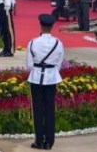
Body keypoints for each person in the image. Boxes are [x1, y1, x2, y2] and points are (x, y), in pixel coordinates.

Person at [26, 14, 64, 150]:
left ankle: (39, 140)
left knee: (37, 110)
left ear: (41, 26)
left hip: (36, 77)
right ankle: (49, 141)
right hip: (51, 77)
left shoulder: (33, 42)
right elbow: (59, 64)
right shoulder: (58, 43)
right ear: (52, 27)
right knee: (49, 109)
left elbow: (29, 65)